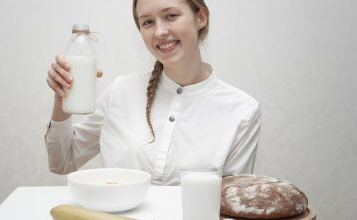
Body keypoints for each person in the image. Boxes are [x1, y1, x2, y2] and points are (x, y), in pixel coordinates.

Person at [45, 0, 261, 186]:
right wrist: (62, 95)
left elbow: (234, 203)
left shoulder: (242, 110)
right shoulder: (120, 92)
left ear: (200, 18)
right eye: (147, 22)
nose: (159, 32)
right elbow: (62, 161)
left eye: (171, 16)